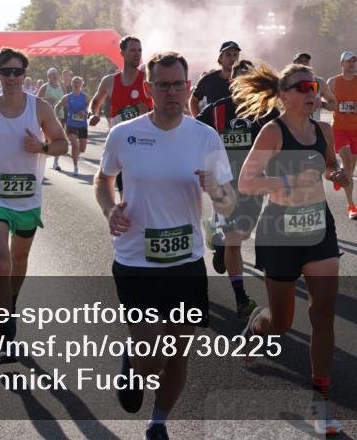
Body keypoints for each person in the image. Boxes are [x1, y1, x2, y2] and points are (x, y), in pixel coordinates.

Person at [95, 51, 236, 440]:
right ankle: (134, 363)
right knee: (151, 355)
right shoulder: (124, 134)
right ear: (148, 88)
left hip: (185, 262)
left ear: (187, 87)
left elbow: (229, 202)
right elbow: (103, 181)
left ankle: (158, 422)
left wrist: (217, 190)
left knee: (176, 354)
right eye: (163, 85)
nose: (172, 92)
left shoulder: (205, 137)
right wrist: (110, 211)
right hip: (136, 260)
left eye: (178, 84)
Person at [236, 61, 351, 437]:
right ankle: (258, 328)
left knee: (323, 311)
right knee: (282, 324)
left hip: (318, 227)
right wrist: (281, 180)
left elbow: (330, 166)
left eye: (313, 86)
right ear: (284, 95)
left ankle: (320, 401)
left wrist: (338, 174)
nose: (310, 93)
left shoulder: (324, 130)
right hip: (280, 231)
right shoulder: (273, 132)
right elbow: (247, 182)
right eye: (301, 87)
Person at [0, 47, 68, 364]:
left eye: (17, 71)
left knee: (19, 263)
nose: (12, 78)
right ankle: (5, 332)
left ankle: (12, 303)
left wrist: (42, 147)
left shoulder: (40, 108)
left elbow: (62, 142)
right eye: (5, 72)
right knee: (3, 263)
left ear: (25, 74)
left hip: (27, 200)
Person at [196, 59, 273, 318]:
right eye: (239, 78)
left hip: (253, 185)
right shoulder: (216, 111)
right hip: (224, 185)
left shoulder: (263, 112)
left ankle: (216, 240)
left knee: (239, 236)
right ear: (232, 83)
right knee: (234, 243)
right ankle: (241, 298)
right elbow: (193, 131)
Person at [90, 36, 154, 196]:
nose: (137, 54)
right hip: (121, 145)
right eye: (133, 50)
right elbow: (95, 101)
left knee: (146, 194)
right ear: (122, 53)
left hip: (146, 144)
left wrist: (148, 111)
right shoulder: (110, 82)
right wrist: (93, 114)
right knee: (125, 195)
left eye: (139, 50)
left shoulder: (148, 80)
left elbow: (163, 110)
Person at [327, 51, 357, 221]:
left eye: (354, 62)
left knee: (350, 172)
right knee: (347, 164)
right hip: (339, 129)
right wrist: (331, 105)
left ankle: (340, 177)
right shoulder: (333, 82)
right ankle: (351, 206)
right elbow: (325, 100)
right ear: (342, 64)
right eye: (348, 62)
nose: (352, 65)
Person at [190, 41, 240, 116]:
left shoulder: (244, 81)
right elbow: (193, 100)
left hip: (237, 126)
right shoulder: (208, 80)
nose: (232, 58)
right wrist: (200, 122)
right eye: (228, 54)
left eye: (235, 55)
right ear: (220, 58)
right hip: (215, 125)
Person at [56, 76, 89, 176]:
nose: (76, 84)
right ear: (71, 84)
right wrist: (56, 119)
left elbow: (90, 112)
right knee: (75, 145)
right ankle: (75, 167)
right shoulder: (67, 97)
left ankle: (74, 154)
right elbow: (57, 107)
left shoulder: (86, 97)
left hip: (83, 125)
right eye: (74, 82)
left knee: (82, 149)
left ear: (82, 84)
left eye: (78, 82)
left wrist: (86, 113)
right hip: (71, 124)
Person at [292, 52, 337, 121]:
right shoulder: (288, 82)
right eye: (300, 61)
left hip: (312, 128)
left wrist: (322, 104)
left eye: (306, 61)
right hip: (292, 128)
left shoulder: (319, 82)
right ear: (294, 64)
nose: (303, 64)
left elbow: (334, 105)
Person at [38, 68, 68, 171]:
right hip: (47, 116)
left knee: (59, 140)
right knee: (46, 140)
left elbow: (65, 98)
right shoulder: (45, 87)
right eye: (52, 74)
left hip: (59, 115)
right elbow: (37, 100)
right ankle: (42, 161)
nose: (55, 75)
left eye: (56, 74)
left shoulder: (61, 86)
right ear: (48, 76)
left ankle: (56, 163)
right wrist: (47, 100)